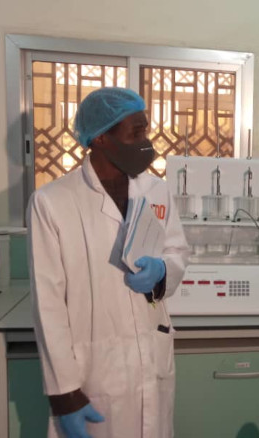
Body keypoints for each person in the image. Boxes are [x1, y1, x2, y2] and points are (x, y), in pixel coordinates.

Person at [27, 87, 188, 438]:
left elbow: (177, 251)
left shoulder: (156, 190)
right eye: (136, 132)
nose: (146, 141)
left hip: (151, 354)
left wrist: (163, 271)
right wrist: (64, 394)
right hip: (94, 370)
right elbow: (48, 303)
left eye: (146, 130)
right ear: (101, 137)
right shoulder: (52, 202)